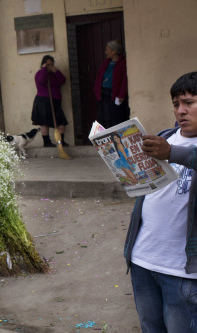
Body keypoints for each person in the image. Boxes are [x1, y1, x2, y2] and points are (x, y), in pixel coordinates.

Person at [124, 72, 197, 332]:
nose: (181, 110)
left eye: (188, 102)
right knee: (150, 327)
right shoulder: (165, 137)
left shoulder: (169, 147)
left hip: (183, 271)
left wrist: (172, 153)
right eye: (176, 104)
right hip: (143, 260)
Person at [31, 55, 69, 147]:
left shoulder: (54, 74)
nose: (50, 66)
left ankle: (60, 142)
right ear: (43, 64)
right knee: (44, 122)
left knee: (61, 122)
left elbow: (62, 81)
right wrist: (44, 69)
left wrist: (55, 71)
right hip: (43, 101)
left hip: (55, 101)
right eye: (48, 65)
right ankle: (46, 142)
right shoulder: (39, 74)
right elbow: (42, 80)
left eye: (51, 64)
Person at [94, 40, 129, 128]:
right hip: (103, 94)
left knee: (114, 119)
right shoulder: (106, 63)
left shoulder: (122, 63)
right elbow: (99, 78)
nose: (106, 52)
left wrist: (121, 95)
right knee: (103, 118)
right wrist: (97, 90)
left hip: (114, 95)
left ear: (114, 51)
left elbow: (124, 80)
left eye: (108, 50)